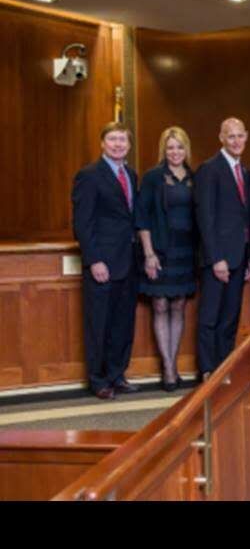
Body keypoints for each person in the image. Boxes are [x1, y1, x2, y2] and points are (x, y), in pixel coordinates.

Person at [71, 122, 141, 400]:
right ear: (102, 143)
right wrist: (94, 260)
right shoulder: (89, 176)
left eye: (122, 140)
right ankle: (98, 380)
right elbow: (82, 224)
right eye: (112, 139)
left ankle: (117, 374)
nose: (118, 145)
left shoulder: (131, 175)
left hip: (128, 262)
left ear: (129, 145)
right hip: (102, 264)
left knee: (122, 323)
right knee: (98, 324)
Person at [136, 126, 198, 391]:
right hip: (160, 250)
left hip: (186, 250)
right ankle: (168, 368)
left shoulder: (195, 177)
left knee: (179, 305)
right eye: (171, 147)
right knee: (160, 304)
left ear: (186, 150)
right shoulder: (153, 177)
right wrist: (149, 253)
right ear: (164, 150)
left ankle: (173, 362)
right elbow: (143, 217)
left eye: (180, 147)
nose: (175, 152)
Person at [194, 117, 250, 379]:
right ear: (221, 138)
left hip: (240, 256)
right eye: (231, 136)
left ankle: (224, 366)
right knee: (210, 317)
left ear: (246, 137)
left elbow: (248, 218)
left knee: (231, 317)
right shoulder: (209, 169)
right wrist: (216, 258)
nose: (236, 141)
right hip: (217, 259)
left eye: (240, 136)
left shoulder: (245, 171)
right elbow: (205, 218)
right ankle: (208, 369)